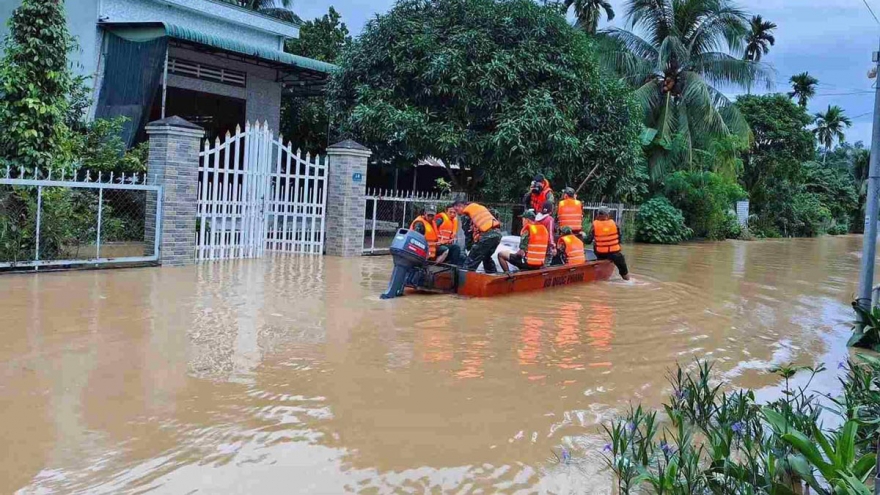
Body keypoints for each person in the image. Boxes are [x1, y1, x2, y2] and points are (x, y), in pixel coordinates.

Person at [452, 200, 502, 273]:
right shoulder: (479, 208)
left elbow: (468, 233)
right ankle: (493, 275)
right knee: (486, 257)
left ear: (460, 206)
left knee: (470, 262)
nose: (457, 213)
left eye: (456, 210)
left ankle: (464, 278)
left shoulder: (465, 216)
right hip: (497, 235)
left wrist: (469, 248)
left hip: (487, 236)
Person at [585, 206, 630, 280]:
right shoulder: (614, 224)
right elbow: (620, 238)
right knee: (625, 272)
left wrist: (582, 236)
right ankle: (627, 279)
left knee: (595, 243)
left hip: (601, 254)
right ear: (607, 215)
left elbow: (588, 241)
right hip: (615, 254)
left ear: (598, 214)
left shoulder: (594, 225)